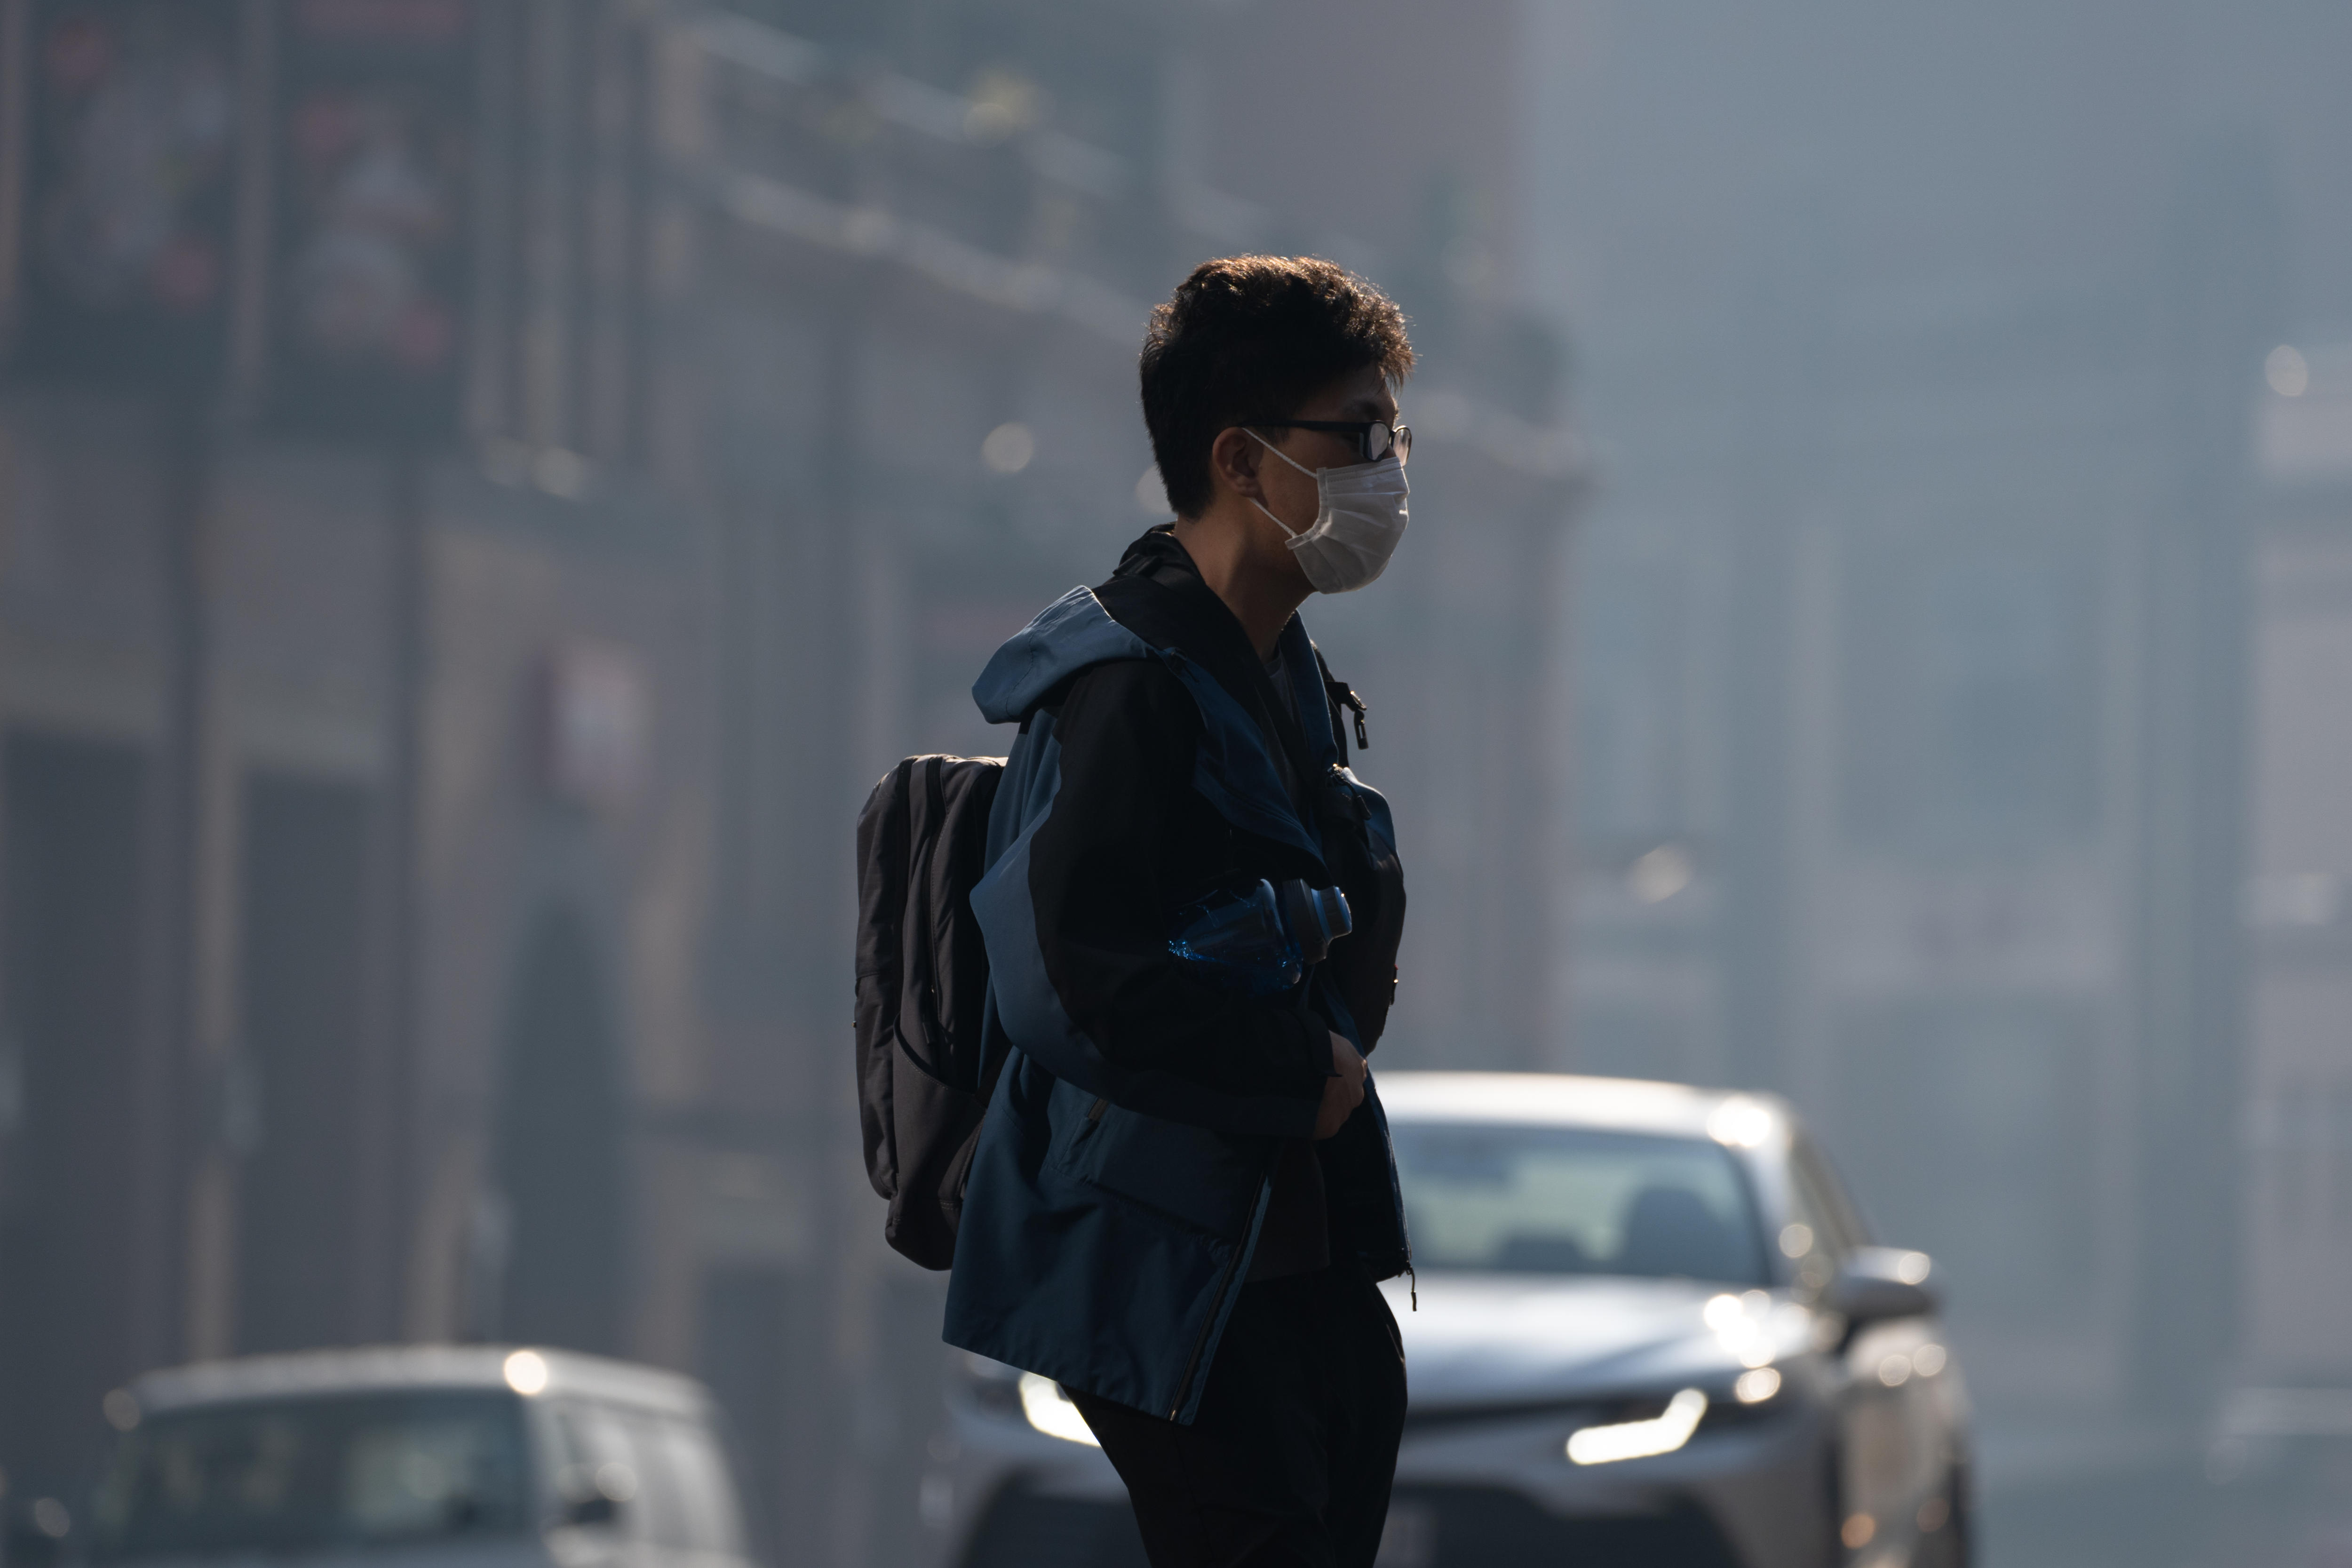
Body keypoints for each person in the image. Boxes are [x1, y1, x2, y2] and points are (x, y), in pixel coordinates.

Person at [944, 255, 1416, 1568]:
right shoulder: (1128, 683)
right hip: (1166, 1256)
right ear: (1245, 459)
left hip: (1288, 1249)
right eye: (1358, 437)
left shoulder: (1286, 672)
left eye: (1397, 436)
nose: (1388, 475)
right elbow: (1065, 971)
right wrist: (1288, 1066)